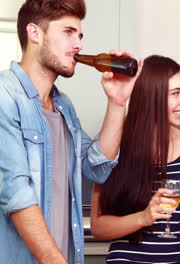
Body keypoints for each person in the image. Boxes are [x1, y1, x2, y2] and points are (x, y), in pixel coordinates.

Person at [0, 0, 142, 263]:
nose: (79, 45)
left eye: (79, 35)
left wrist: (117, 102)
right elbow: (17, 195)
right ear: (35, 33)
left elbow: (97, 167)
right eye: (68, 32)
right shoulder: (4, 96)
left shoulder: (64, 106)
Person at [91, 55, 180, 264]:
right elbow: (98, 227)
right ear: (151, 96)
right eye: (176, 93)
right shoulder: (114, 145)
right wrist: (144, 217)